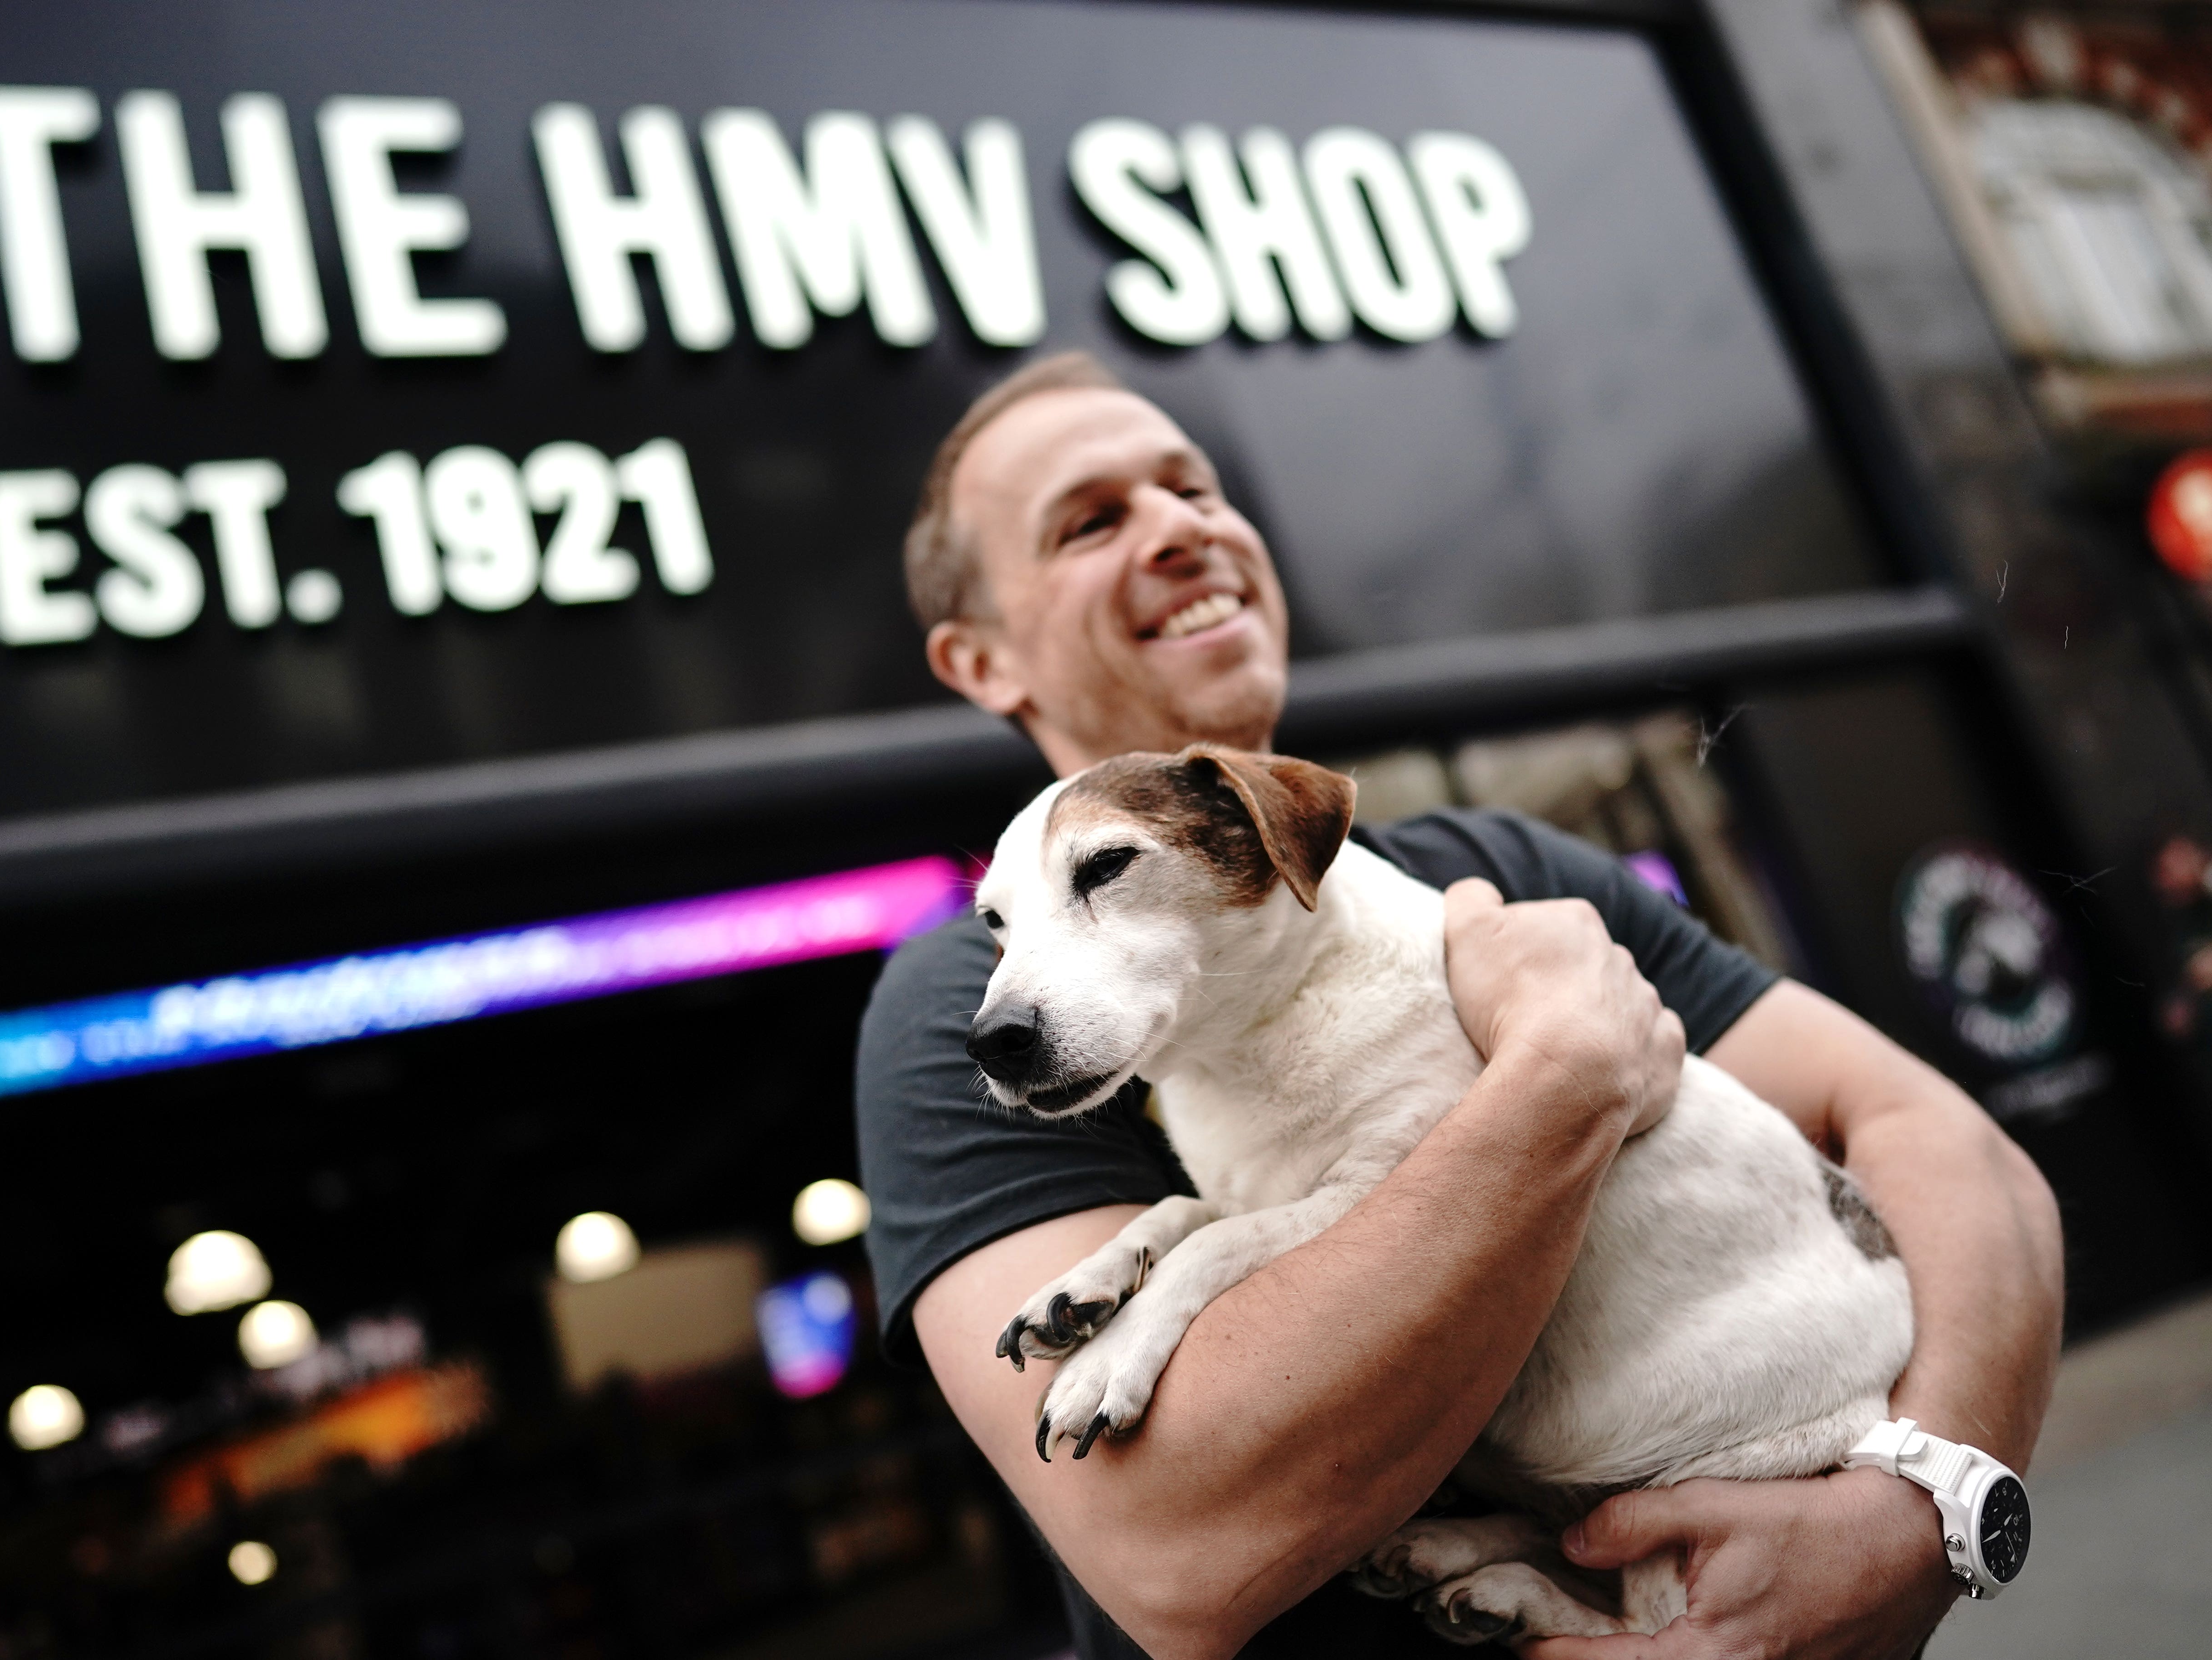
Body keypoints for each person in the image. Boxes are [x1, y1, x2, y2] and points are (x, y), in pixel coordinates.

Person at [853, 353, 2064, 1660]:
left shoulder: (1508, 866)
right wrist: (1562, 1074)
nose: (1178, 526)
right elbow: (1179, 1558)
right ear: (976, 658)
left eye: (1194, 486)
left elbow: (1960, 1157)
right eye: (1091, 521)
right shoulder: (957, 1009)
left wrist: (1924, 1509)